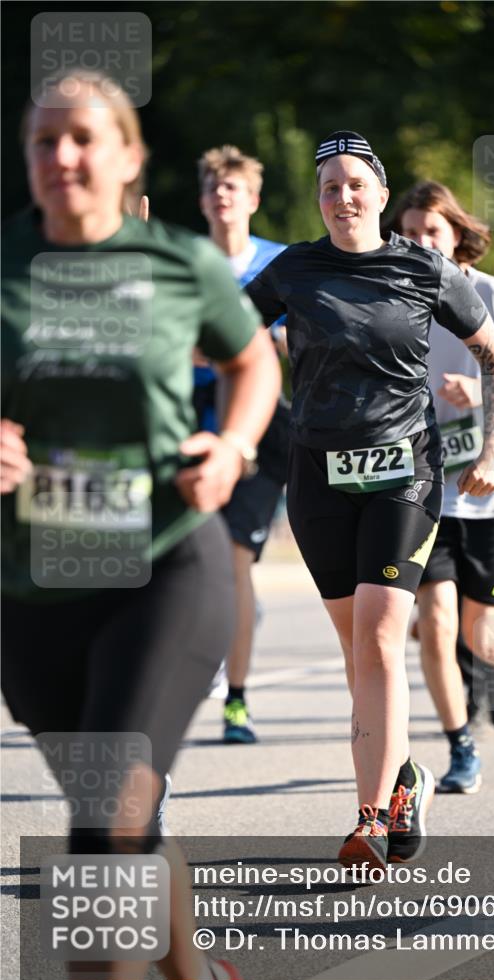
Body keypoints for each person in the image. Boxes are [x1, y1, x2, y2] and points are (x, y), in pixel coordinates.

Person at [1, 71, 280, 980]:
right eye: (43, 140)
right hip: (32, 578)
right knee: (121, 813)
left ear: (128, 157)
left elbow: (252, 361)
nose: (62, 156)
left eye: (83, 137)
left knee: (104, 819)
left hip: (165, 563)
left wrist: (233, 447)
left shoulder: (179, 263)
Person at [243, 131, 494, 870]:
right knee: (358, 650)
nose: (343, 198)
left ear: (381, 195)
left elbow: (493, 355)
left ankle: (371, 820)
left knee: (380, 639)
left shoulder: (422, 268)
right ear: (318, 199)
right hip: (317, 475)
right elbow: (218, 340)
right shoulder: (293, 269)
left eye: (355, 184)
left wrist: (493, 448)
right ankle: (405, 776)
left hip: (405, 472)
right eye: (329, 187)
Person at [391, 180, 494, 794]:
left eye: (432, 232)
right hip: (427, 486)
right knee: (435, 624)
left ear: (456, 235)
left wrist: (484, 389)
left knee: (479, 634)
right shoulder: (395, 302)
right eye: (409, 233)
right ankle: (461, 747)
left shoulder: (491, 294)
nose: (421, 243)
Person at [196, 144, 290, 744]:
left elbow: (295, 342)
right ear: (202, 200)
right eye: (213, 188)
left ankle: (236, 701)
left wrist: (255, 346)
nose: (221, 196)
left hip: (260, 429)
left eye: (232, 187)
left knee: (233, 561)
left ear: (253, 199)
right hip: (193, 423)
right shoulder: (187, 261)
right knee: (192, 561)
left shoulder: (280, 263)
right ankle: (224, 621)